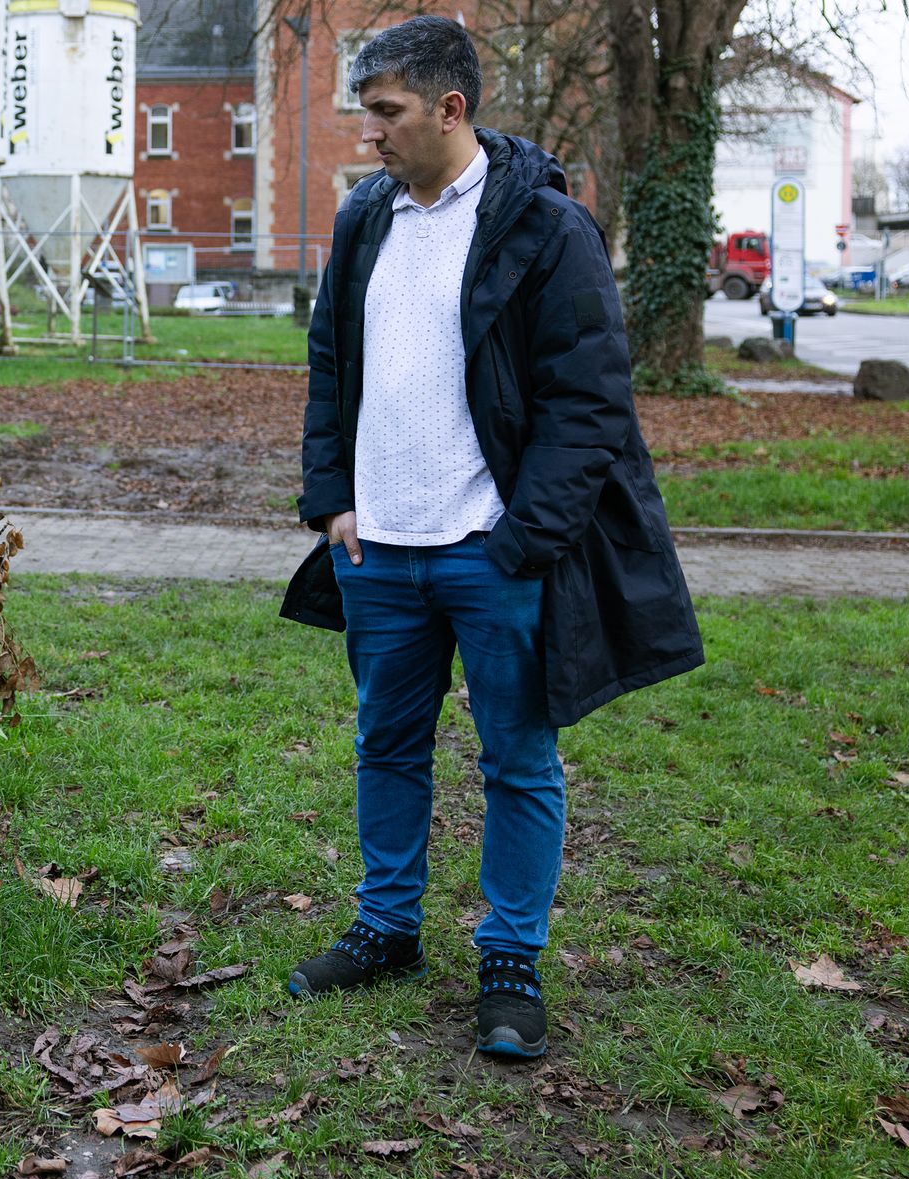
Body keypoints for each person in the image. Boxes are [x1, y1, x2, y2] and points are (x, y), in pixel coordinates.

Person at [278, 17, 703, 1059]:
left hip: (489, 550)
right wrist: (331, 502)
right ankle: (386, 930)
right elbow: (330, 363)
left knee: (517, 760)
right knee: (385, 742)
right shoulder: (362, 218)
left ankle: (508, 960)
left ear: (449, 109)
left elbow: (589, 401)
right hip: (376, 547)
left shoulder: (543, 229)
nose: (368, 134)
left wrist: (521, 540)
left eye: (385, 114)